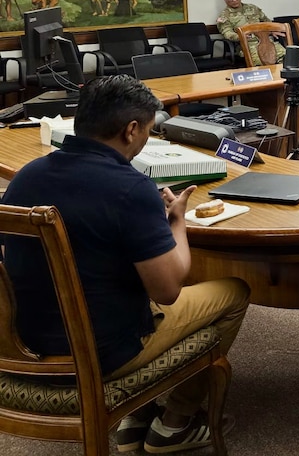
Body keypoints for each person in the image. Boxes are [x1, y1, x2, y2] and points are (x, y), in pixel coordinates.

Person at [1, 76, 250, 454]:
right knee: (233, 292)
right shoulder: (131, 189)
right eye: (149, 131)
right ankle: (175, 424)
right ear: (131, 130)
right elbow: (167, 292)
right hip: (100, 355)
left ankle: (137, 416)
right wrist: (177, 224)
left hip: (24, 343)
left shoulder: (27, 178)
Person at [216, 0, 285, 65]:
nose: (234, 0)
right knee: (262, 62)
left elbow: (267, 22)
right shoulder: (224, 16)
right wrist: (240, 36)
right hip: (248, 45)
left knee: (286, 56)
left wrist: (272, 30)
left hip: (266, 41)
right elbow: (227, 33)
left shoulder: (252, 8)